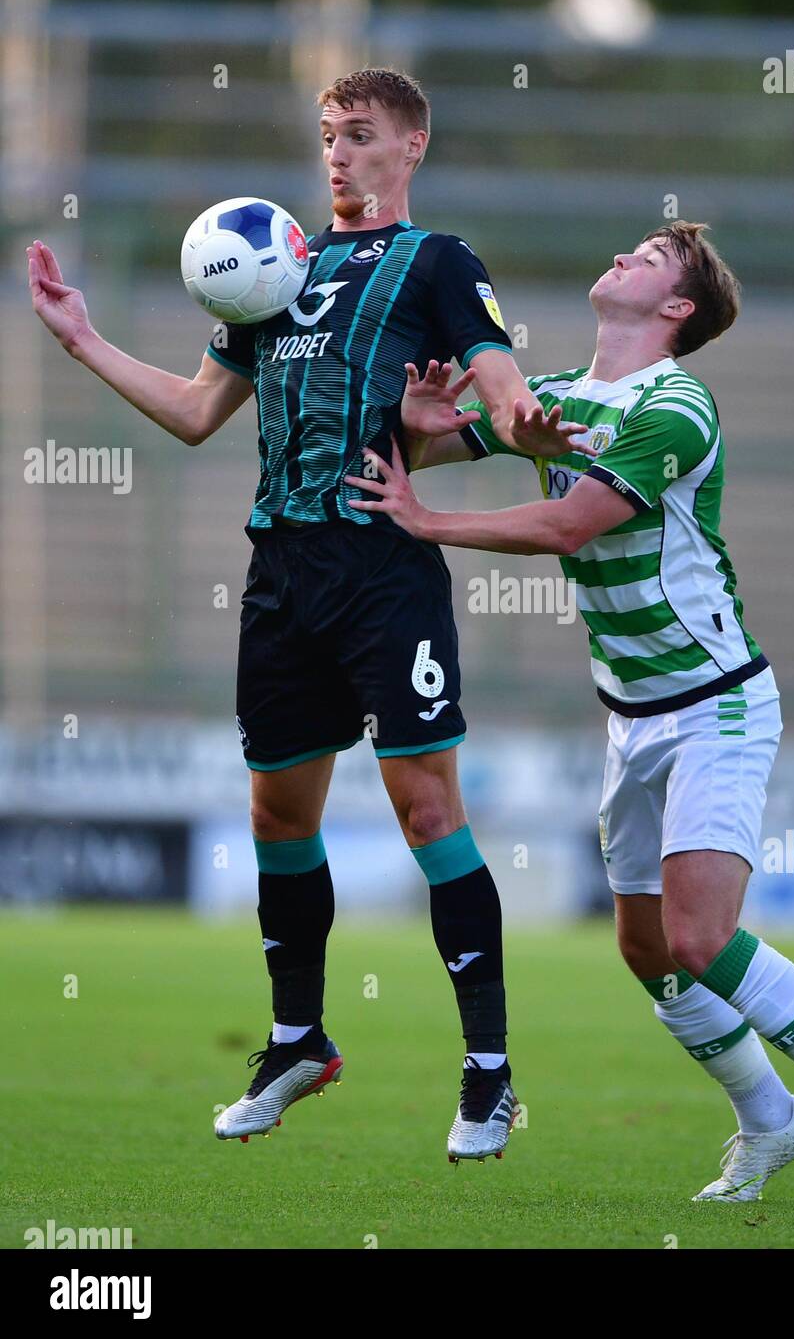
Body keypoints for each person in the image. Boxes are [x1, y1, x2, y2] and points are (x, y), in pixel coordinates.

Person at [26, 67, 580, 1162]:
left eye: (360, 135)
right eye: (327, 134)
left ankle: (487, 1071)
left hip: (382, 564)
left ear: (410, 147)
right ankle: (296, 1042)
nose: (336, 153)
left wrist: (523, 421)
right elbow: (194, 413)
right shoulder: (274, 264)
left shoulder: (436, 262)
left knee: (427, 811)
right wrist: (83, 339)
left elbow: (500, 386)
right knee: (278, 816)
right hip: (281, 571)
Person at [345, 220, 794, 1210]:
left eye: (650, 259)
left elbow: (567, 523)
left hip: (714, 703)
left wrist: (427, 522)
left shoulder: (678, 406)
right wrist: (415, 419)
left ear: (674, 310)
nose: (622, 256)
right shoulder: (560, 393)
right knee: (644, 946)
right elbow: (428, 449)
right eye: (626, 247)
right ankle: (770, 1118)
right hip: (628, 713)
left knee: (700, 936)